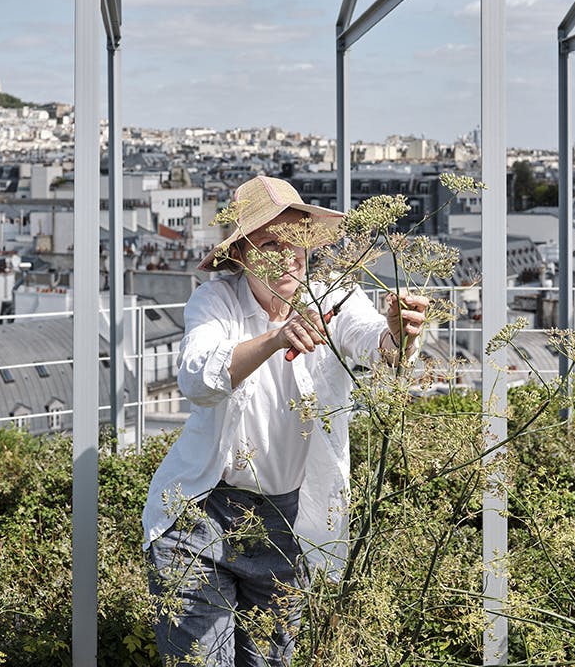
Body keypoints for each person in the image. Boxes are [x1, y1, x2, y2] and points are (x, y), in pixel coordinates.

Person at [142, 175, 428, 666]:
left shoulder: (333, 299)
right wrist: (276, 339)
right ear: (241, 255)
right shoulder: (216, 302)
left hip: (287, 523)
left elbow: (374, 342)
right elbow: (197, 377)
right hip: (199, 516)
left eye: (296, 241)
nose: (287, 254)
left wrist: (400, 335)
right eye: (270, 243)